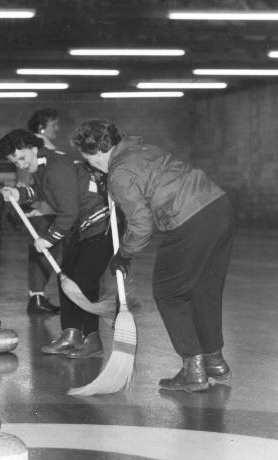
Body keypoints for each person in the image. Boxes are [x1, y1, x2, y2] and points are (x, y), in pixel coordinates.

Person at [71, 119, 235, 391]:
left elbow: (141, 225)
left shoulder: (119, 173)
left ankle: (193, 370)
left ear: (99, 150)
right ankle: (214, 360)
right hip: (219, 207)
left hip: (188, 218)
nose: (90, 165)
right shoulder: (142, 149)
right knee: (205, 289)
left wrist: (124, 254)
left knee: (169, 293)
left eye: (88, 159)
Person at [0, 129, 113, 358]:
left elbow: (68, 213)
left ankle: (92, 340)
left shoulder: (55, 167)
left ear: (33, 148)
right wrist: (17, 194)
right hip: (83, 229)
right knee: (67, 277)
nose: (20, 165)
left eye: (22, 158)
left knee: (84, 282)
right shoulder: (43, 167)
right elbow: (40, 191)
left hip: (101, 227)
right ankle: (71, 334)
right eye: (15, 162)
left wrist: (47, 240)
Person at [22, 108, 61, 314]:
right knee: (44, 253)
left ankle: (36, 296)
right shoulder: (40, 144)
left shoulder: (30, 143)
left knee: (40, 253)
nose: (57, 128)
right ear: (41, 127)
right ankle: (36, 298)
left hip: (37, 207)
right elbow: (44, 179)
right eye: (54, 124)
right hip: (42, 209)